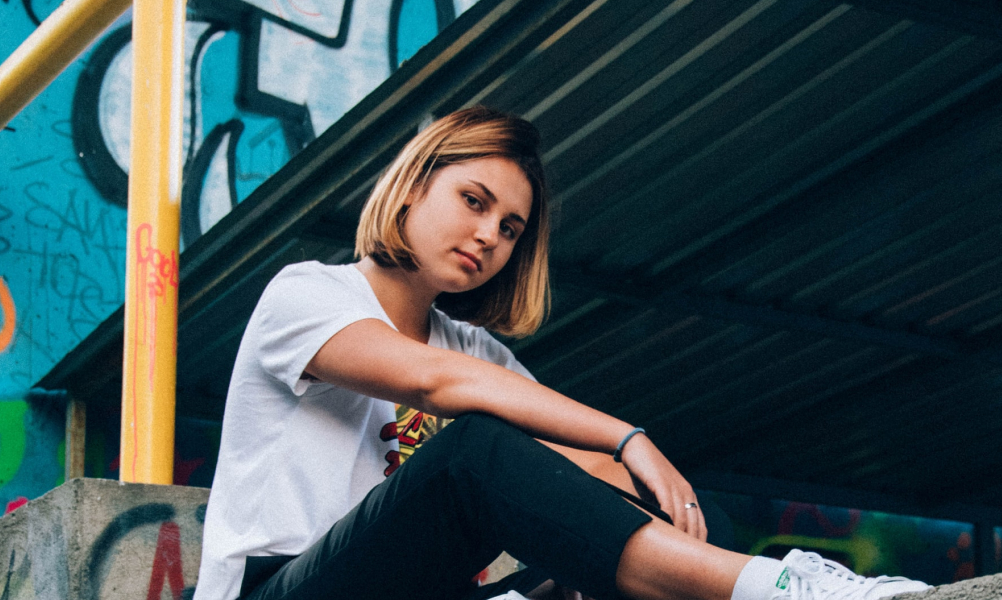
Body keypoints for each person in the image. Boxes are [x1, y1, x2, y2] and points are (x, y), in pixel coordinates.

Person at [193, 106, 931, 600]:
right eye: (474, 201)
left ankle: (768, 584)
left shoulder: (472, 346)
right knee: (473, 452)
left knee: (681, 512)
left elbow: (580, 467)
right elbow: (438, 383)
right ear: (413, 186)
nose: (489, 236)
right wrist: (628, 436)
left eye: (510, 228)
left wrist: (631, 500)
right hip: (283, 588)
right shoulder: (308, 295)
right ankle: (780, 590)